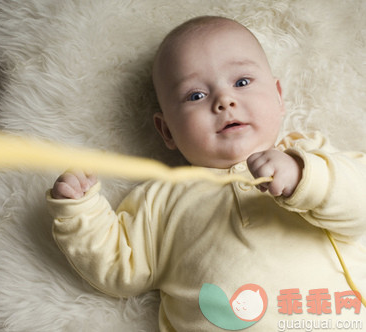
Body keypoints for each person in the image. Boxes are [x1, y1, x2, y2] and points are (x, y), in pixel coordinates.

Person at [46, 16, 366, 331]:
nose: (224, 101)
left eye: (241, 82)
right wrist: (80, 211)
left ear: (278, 97)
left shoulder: (310, 155)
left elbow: (359, 202)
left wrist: (305, 178)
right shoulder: (163, 198)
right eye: (196, 95)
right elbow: (120, 267)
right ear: (167, 130)